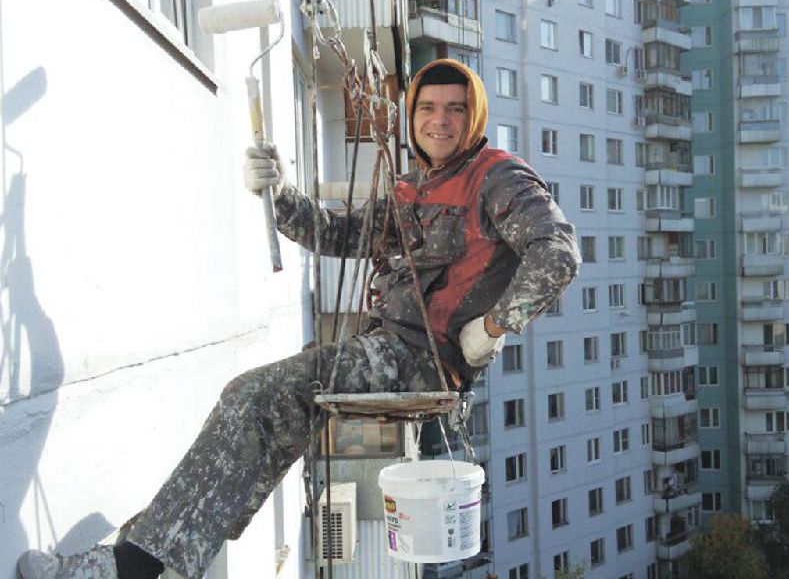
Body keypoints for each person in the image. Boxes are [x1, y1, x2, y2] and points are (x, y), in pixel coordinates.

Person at [17, 59, 580, 579]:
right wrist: (279, 192)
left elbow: (558, 252)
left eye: (456, 109)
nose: (440, 121)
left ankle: (128, 566)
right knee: (262, 418)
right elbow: (339, 234)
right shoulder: (413, 186)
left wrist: (493, 327)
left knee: (255, 396)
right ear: (412, 117)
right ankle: (151, 553)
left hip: (421, 361)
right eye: (428, 108)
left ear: (473, 116)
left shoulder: (496, 177)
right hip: (385, 347)